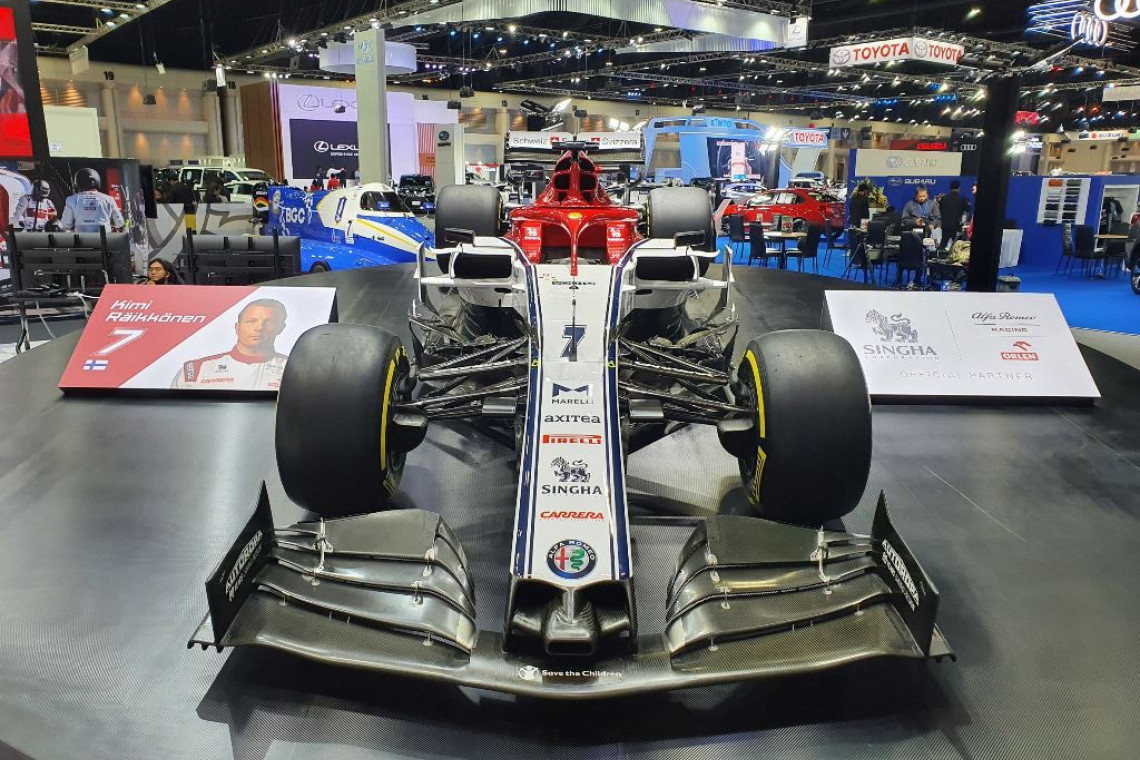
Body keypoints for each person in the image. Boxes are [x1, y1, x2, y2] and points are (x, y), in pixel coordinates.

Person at [171, 298, 289, 390]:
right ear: (237, 327)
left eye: (269, 322)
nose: (259, 328)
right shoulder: (195, 370)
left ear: (281, 328)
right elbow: (176, 411)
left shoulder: (293, 370)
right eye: (251, 321)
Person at [60, 168, 125, 233]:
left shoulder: (71, 200)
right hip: (104, 238)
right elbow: (119, 223)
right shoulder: (109, 199)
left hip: (81, 238)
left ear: (78, 184)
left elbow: (66, 224)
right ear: (97, 182)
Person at [937, 180, 970, 250]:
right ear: (959, 187)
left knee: (943, 245)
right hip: (956, 226)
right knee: (958, 247)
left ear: (950, 187)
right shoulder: (962, 199)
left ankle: (939, 255)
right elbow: (968, 209)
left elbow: (941, 210)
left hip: (945, 226)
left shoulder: (943, 199)